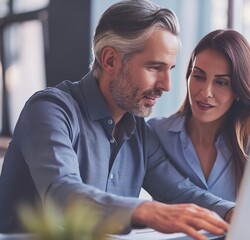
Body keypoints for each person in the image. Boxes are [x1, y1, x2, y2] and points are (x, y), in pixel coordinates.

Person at [0, 1, 235, 239]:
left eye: (170, 70)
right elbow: (63, 193)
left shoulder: (139, 132)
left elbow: (179, 191)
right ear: (110, 60)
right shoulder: (50, 109)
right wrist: (146, 210)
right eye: (155, 68)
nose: (166, 85)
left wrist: (231, 212)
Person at [148, 29, 250, 202]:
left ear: (239, 89)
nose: (205, 92)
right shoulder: (157, 132)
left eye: (221, 82)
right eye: (199, 76)